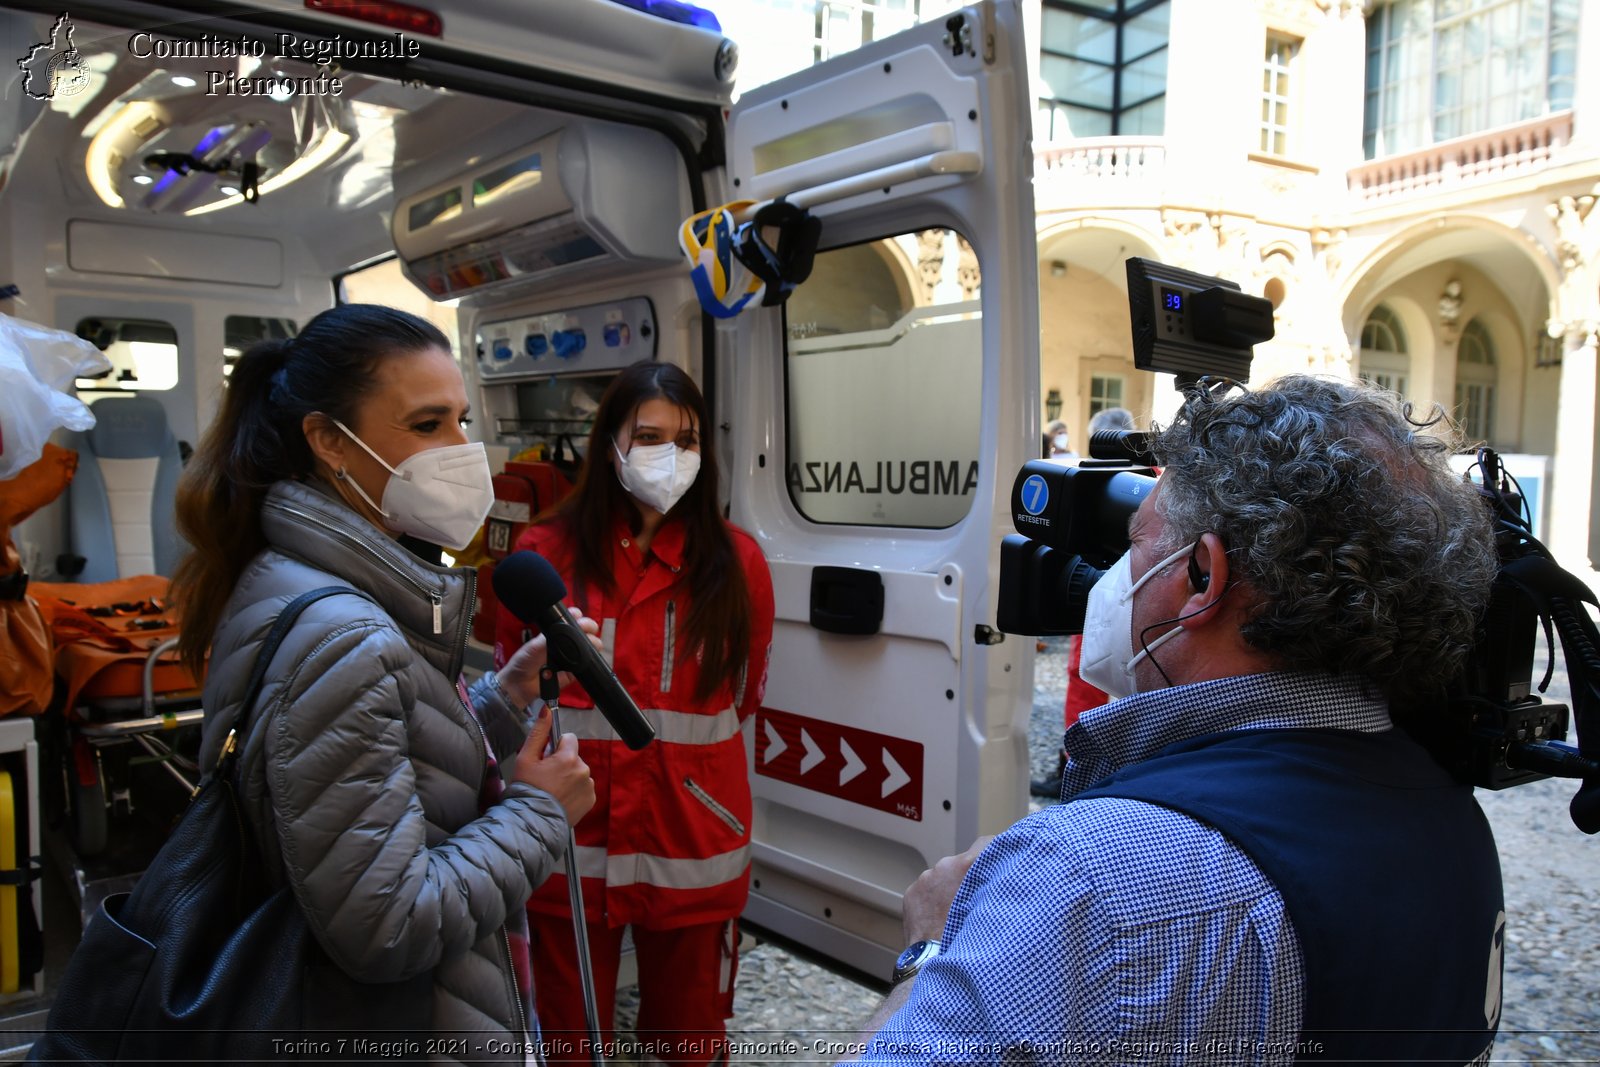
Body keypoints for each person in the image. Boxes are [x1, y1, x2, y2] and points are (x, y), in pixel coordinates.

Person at [855, 376, 1505, 1064]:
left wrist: (929, 951)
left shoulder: (1085, 877)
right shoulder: (1458, 822)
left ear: (1202, 577)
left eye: (1135, 546)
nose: (1110, 581)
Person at [171, 304, 597, 1061]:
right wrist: (539, 812)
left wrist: (501, 701)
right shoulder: (346, 634)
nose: (464, 451)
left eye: (464, 420)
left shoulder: (301, 581)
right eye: (428, 425)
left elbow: (383, 775)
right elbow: (388, 922)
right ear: (330, 441)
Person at [493, 360, 775, 1066]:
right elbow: (510, 696)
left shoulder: (738, 564)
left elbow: (744, 697)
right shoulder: (544, 554)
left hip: (693, 842)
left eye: (687, 439)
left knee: (687, 1042)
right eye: (649, 435)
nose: (669, 456)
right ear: (610, 444)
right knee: (567, 1041)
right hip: (566, 842)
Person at [1031, 406, 1136, 798]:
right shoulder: (1149, 483)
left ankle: (1074, 770)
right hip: (1143, 604)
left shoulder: (1096, 483)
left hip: (1099, 594)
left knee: (1084, 676)